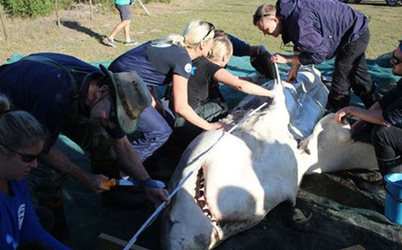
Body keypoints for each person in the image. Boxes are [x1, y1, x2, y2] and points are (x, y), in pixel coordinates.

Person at [0, 53, 169, 239]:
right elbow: (42, 151)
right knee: (45, 170)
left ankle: (111, 190)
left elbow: (121, 145)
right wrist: (84, 177)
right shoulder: (53, 95)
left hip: (57, 97)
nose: (113, 124)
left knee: (104, 142)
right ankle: (54, 219)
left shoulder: (107, 93)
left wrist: (147, 183)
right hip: (13, 101)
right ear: (101, 91)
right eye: (114, 118)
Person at [109, 20, 227, 162]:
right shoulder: (183, 59)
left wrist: (156, 101)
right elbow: (181, 107)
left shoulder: (170, 44)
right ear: (203, 44)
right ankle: (122, 171)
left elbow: (146, 71)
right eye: (211, 40)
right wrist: (209, 126)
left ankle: (149, 160)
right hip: (123, 85)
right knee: (160, 132)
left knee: (166, 118)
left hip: (119, 78)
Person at [253, 0, 378, 113]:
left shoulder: (299, 23)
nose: (265, 34)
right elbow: (299, 44)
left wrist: (286, 59)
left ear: (275, 20)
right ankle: (376, 110)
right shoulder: (289, 12)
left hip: (353, 34)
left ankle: (334, 123)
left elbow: (319, 55)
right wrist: (294, 69)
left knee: (341, 81)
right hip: (350, 29)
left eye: (266, 29)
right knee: (359, 76)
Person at [335, 35, 402, 179]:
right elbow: (385, 102)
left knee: (383, 134)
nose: (391, 62)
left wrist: (351, 110)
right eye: (393, 55)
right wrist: (356, 125)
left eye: (396, 60)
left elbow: (386, 119)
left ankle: (391, 184)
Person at [0, 94, 72, 250]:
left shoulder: (17, 180)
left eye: (37, 157)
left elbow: (32, 231)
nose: (35, 165)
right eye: (28, 158)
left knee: (45, 217)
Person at [174, 30, 274, 142]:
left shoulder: (197, 58)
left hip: (172, 110)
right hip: (185, 120)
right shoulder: (211, 68)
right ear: (224, 57)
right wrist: (270, 93)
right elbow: (240, 86)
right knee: (222, 107)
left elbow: (231, 79)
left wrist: (252, 79)